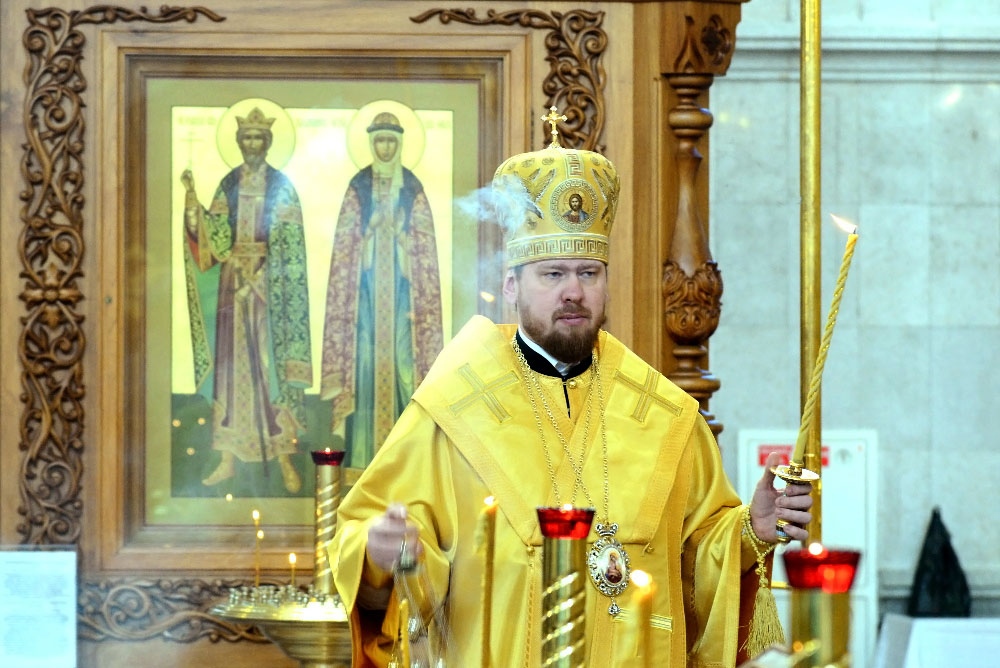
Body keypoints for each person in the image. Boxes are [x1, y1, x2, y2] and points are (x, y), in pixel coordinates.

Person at [330, 114, 812, 667]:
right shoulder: (452, 409)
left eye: (589, 272)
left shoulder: (664, 413)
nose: (574, 292)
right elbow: (385, 569)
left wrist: (749, 530)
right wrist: (380, 559)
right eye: (553, 274)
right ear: (511, 285)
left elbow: (697, 559)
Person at [180, 105, 311, 495]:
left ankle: (283, 456)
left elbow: (290, 246)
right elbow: (215, 236)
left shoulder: (283, 186)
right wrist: (192, 203)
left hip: (271, 293)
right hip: (232, 288)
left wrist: (261, 279)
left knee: (268, 371)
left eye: (258, 138)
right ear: (240, 143)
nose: (252, 144)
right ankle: (227, 458)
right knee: (231, 372)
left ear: (267, 143)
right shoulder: (229, 184)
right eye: (247, 138)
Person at [320, 110, 443, 474]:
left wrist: (404, 241)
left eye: (391, 140)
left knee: (405, 366)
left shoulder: (411, 187)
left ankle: (406, 461)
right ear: (371, 143)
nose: (385, 147)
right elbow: (346, 249)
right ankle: (363, 461)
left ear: (399, 143)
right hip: (365, 299)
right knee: (365, 367)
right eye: (380, 140)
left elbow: (424, 249)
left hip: (405, 300)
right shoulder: (358, 186)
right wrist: (370, 231)